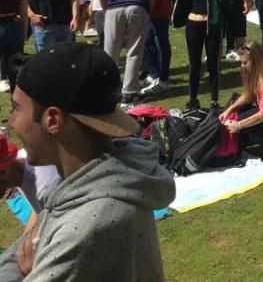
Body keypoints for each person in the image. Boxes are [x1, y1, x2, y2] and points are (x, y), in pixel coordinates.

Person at [0, 42, 174, 280]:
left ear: (53, 120)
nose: (11, 123)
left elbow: (19, 260)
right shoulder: (83, 185)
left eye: (16, 109)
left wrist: (23, 271)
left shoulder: (86, 224)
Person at [0, 0, 28, 92]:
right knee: (15, 68)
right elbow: (24, 13)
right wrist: (23, 34)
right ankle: (15, 105)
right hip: (14, 26)